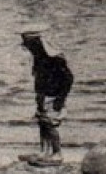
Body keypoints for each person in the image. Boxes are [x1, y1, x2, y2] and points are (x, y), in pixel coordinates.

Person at [20, 31, 73, 164]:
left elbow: (68, 78)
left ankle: (57, 153)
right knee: (42, 123)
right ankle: (45, 151)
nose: (28, 49)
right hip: (43, 95)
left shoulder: (55, 59)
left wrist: (61, 98)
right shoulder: (39, 57)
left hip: (53, 96)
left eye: (30, 46)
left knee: (50, 125)